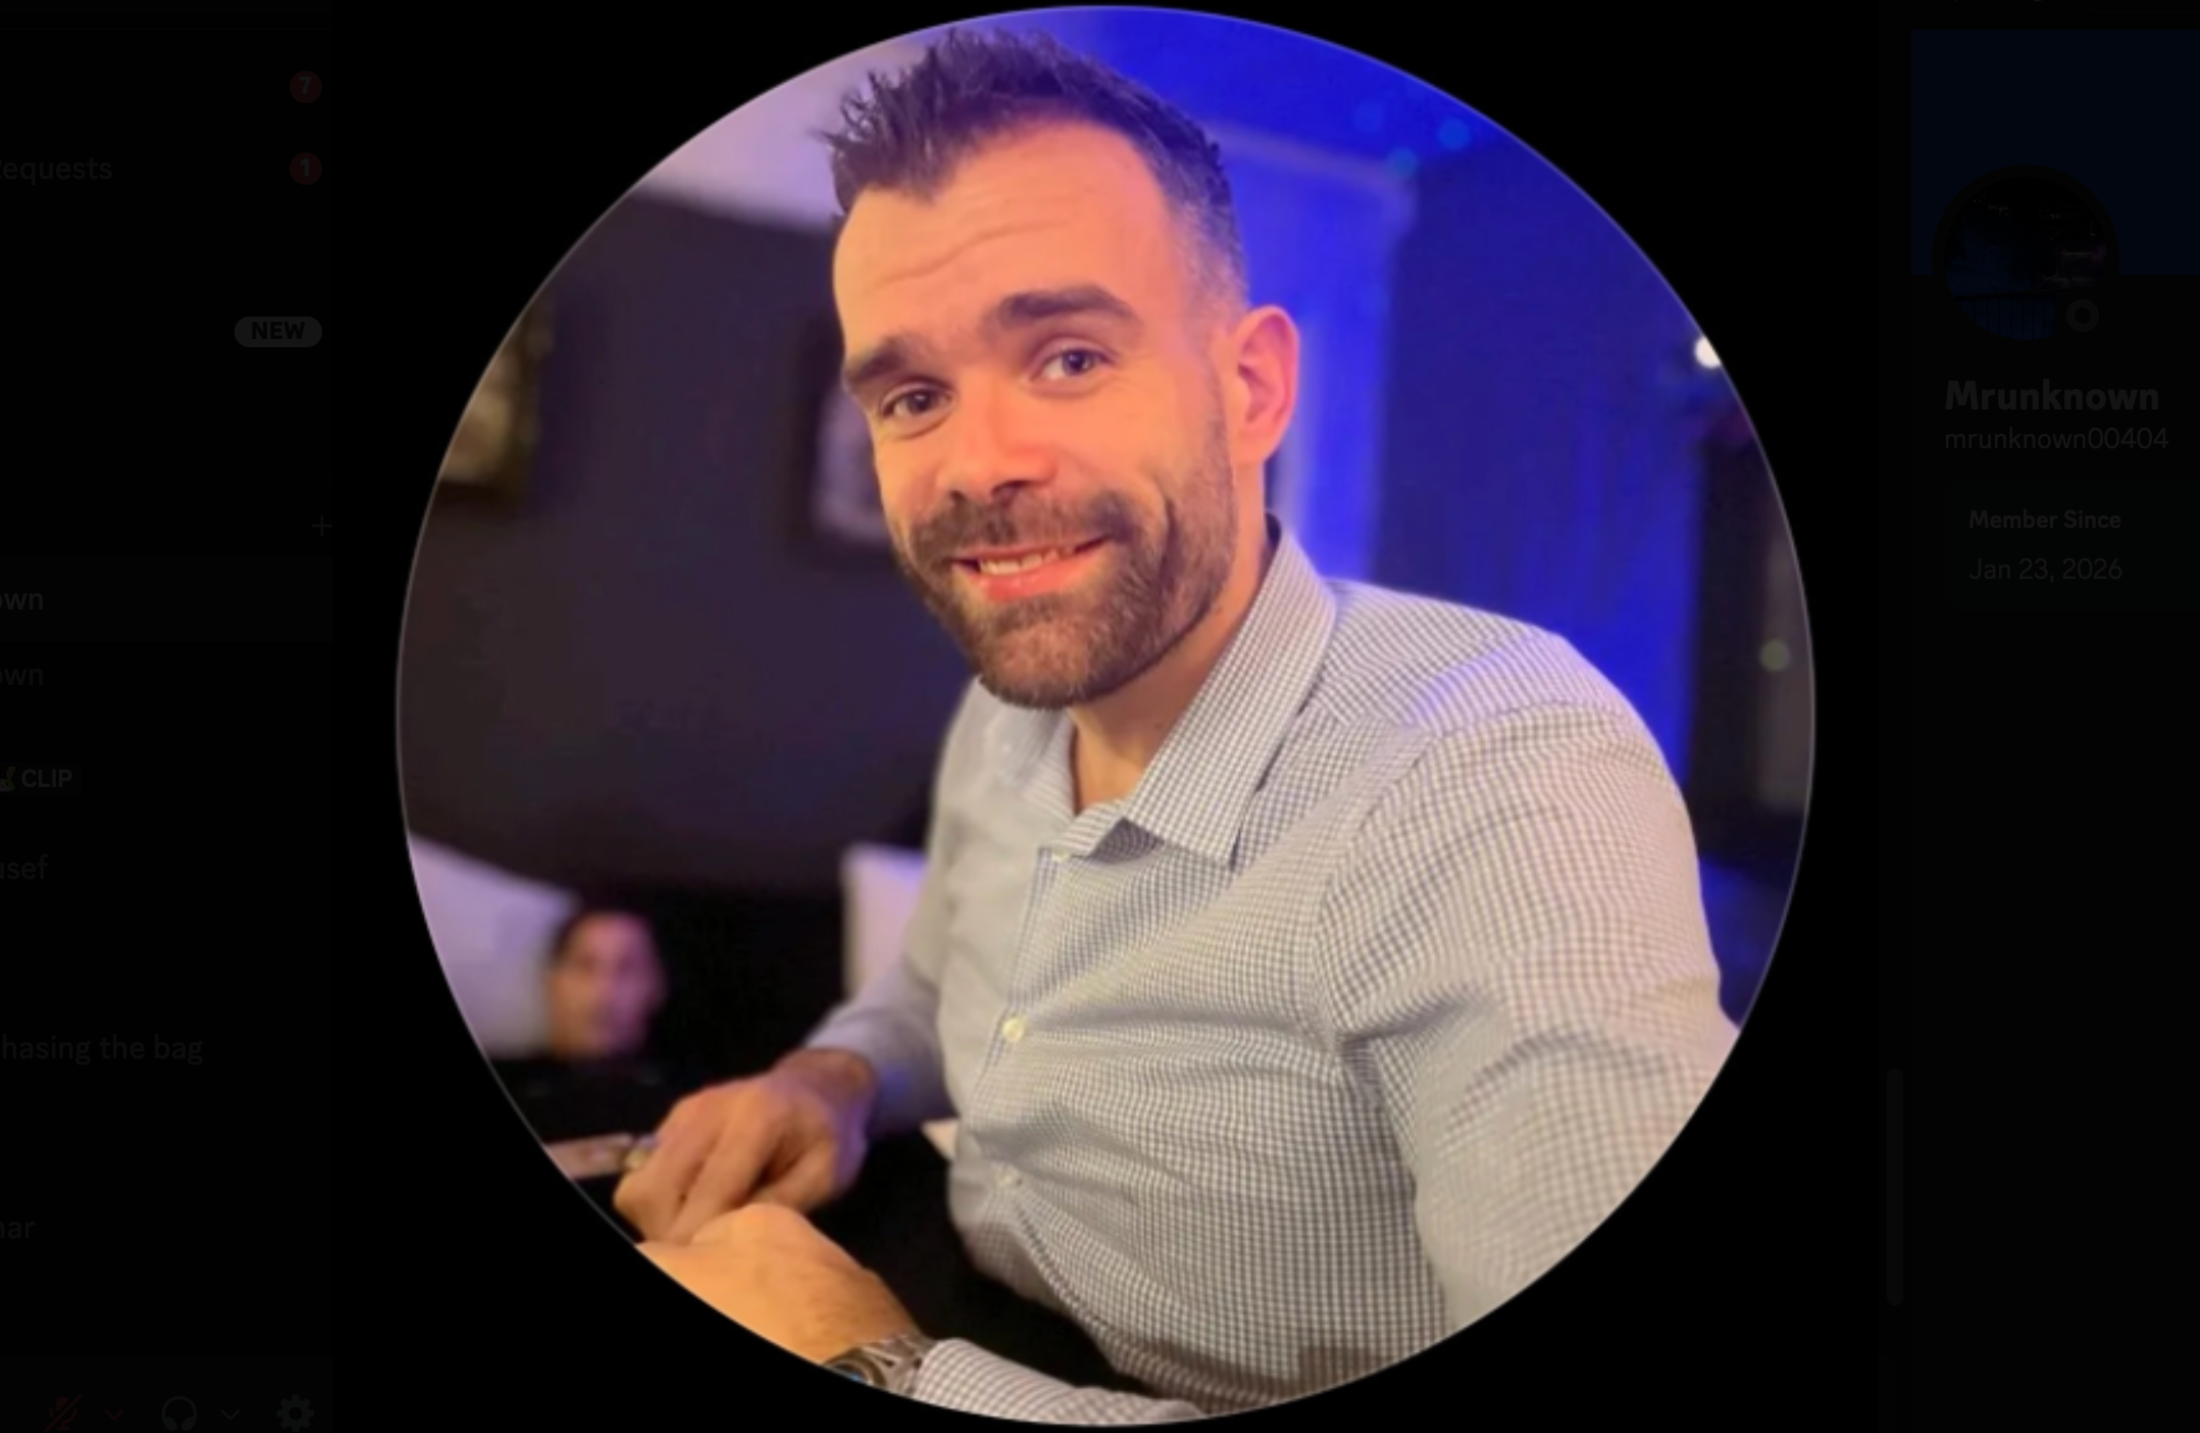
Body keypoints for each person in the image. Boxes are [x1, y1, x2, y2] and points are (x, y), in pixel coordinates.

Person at [620, 27, 1740, 1419]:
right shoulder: (1006, 714)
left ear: (1251, 387)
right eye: (913, 396)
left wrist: (883, 1366)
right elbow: (938, 983)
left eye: (1069, 355)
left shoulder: (1491, 769)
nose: (977, 466)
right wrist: (831, 1078)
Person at [492, 898, 677, 1143]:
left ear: (656, 987)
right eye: (585, 966)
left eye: (626, 969)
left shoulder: (690, 1105)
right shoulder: (507, 1082)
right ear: (552, 981)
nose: (605, 991)